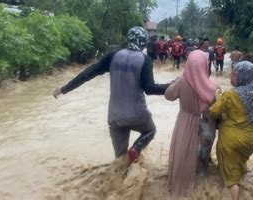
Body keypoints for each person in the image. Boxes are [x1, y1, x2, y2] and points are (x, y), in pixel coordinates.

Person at [52, 26, 170, 163]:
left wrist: (64, 89)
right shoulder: (145, 60)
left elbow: (88, 74)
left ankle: (120, 176)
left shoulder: (113, 56)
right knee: (150, 131)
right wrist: (171, 86)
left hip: (115, 116)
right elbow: (150, 89)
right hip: (137, 115)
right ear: (144, 42)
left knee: (120, 161)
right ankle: (136, 149)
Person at [165, 50, 218, 197]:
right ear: (204, 65)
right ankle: (201, 188)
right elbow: (218, 108)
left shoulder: (182, 82)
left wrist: (177, 79)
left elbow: (168, 95)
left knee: (183, 154)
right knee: (202, 159)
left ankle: (182, 186)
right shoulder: (213, 86)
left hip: (185, 122)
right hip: (207, 125)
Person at [210, 61, 253, 200]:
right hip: (252, 139)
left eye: (234, 74)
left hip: (232, 141)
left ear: (243, 77)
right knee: (239, 166)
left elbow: (214, 112)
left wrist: (217, 98)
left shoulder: (230, 95)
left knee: (231, 178)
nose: (230, 76)